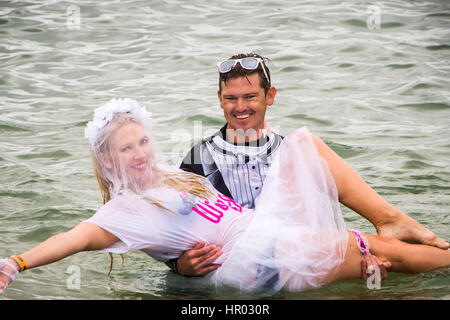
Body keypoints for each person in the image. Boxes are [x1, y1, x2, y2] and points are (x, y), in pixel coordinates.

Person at [1, 99, 449, 295]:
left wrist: (176, 262)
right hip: (257, 261)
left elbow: (199, 225)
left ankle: (384, 230)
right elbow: (73, 237)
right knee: (388, 253)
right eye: (125, 149)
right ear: (107, 161)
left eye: (142, 142)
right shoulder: (120, 211)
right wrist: (17, 264)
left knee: (301, 145)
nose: (139, 154)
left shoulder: (174, 175)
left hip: (268, 231)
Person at [173, 52, 449, 277]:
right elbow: (173, 231)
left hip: (298, 259)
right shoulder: (200, 160)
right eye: (231, 98)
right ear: (220, 99)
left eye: (250, 97)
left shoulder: (295, 153)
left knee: (385, 270)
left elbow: (315, 220)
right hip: (240, 269)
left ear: (270, 96)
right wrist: (179, 265)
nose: (240, 106)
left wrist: (361, 258)